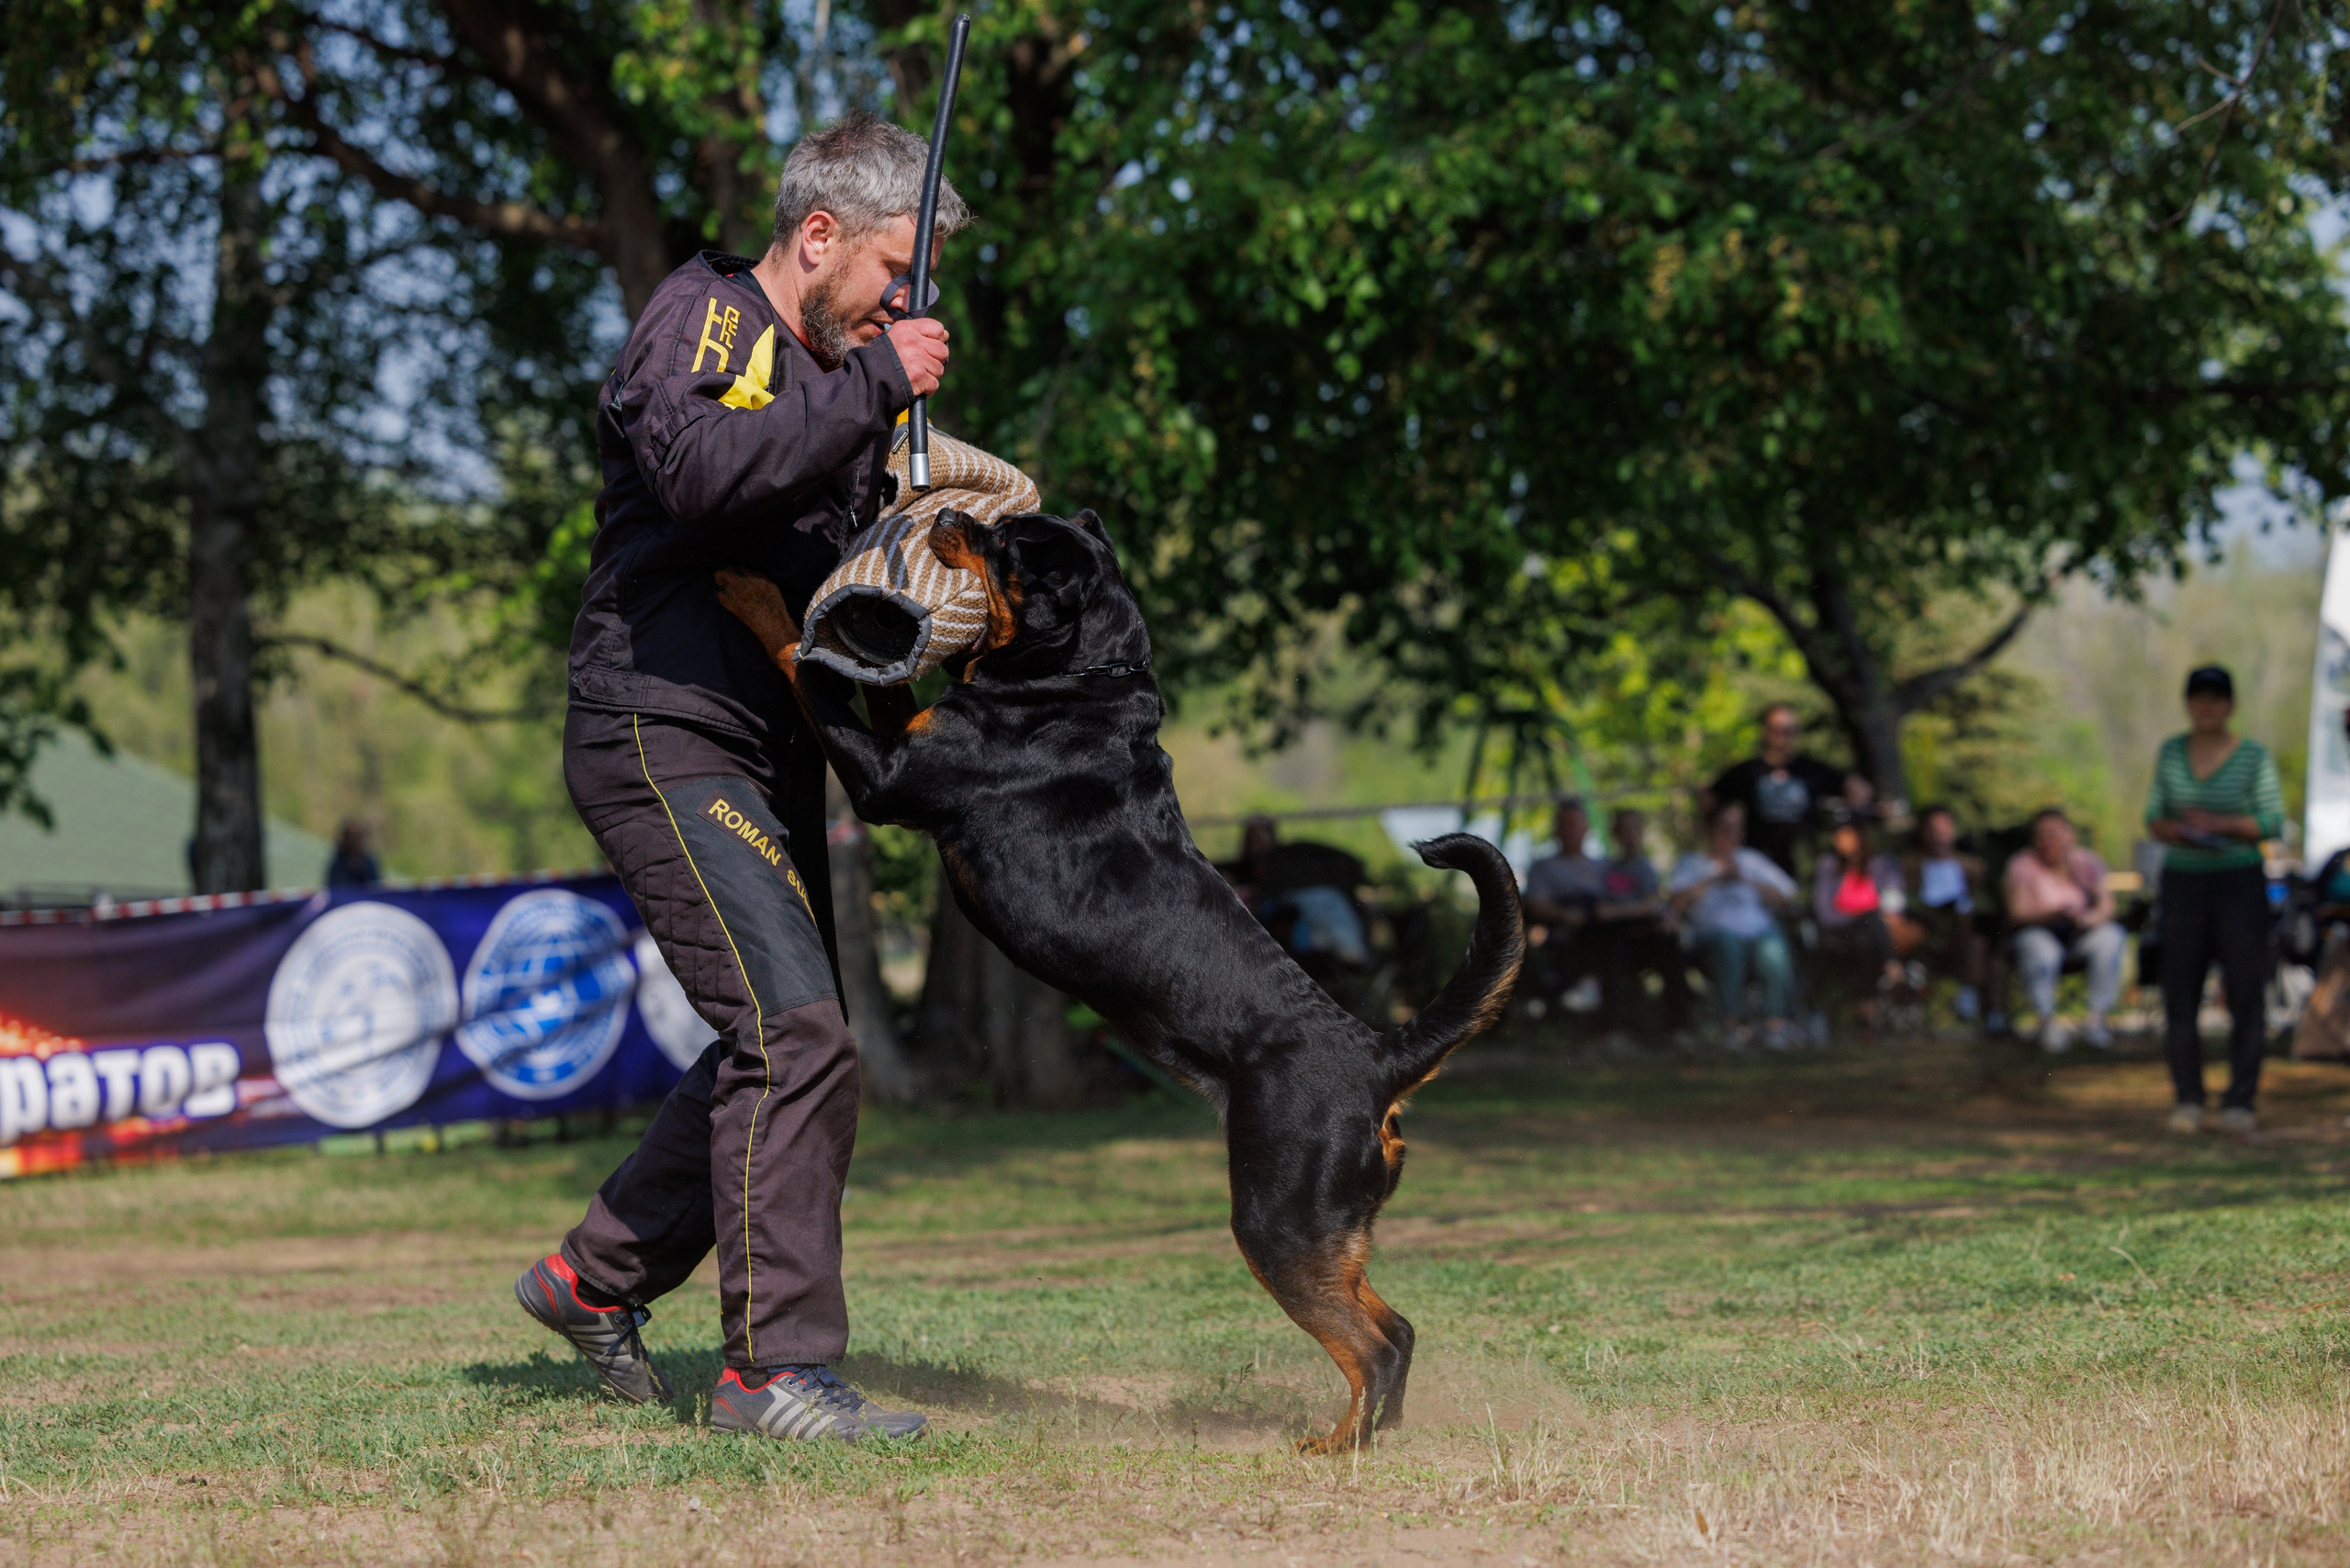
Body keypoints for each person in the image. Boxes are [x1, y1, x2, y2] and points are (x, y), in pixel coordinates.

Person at [514, 112, 963, 1444]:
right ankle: (770, 1377)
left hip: (764, 751)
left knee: (779, 1037)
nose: (906, 304)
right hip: (660, 725)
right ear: (818, 236)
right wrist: (879, 381)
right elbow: (703, 470)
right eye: (896, 272)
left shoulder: (834, 377)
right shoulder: (710, 319)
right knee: (798, 1039)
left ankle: (592, 1278)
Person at [2145, 664, 2287, 1136]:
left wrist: (2219, 825)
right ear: (2188, 703)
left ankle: (2240, 1100)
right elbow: (2154, 815)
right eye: (2199, 697)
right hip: (2184, 881)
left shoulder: (2252, 756)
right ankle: (2188, 1097)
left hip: (2238, 882)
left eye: (2215, 697)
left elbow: (2271, 821)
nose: (2206, 705)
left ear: (2230, 704)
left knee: (2246, 990)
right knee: (2180, 989)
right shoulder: (2171, 752)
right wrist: (2180, 830)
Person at [1667, 800, 1799, 1048]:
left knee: (1774, 949)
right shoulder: (1693, 862)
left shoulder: (1751, 861)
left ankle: (1775, 1026)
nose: (1732, 836)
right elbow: (1676, 902)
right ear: (1710, 829)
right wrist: (1713, 878)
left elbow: (1786, 896)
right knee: (1726, 947)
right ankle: (1730, 1026)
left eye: (1737, 829)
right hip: (1713, 937)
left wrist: (1746, 879)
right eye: (1725, 828)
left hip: (1759, 934)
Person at [2002, 808, 2124, 1054]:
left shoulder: (2087, 862)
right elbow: (2015, 914)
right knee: (2035, 945)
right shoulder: (2021, 865)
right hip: (2040, 935)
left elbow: (2107, 904)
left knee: (2112, 936)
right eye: (2042, 834)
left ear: (2070, 835)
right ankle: (2047, 1022)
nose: (2049, 840)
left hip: (2080, 937)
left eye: (2054, 833)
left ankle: (2097, 1019)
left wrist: (2089, 919)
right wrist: (2053, 915)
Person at [1707, 703, 1874, 878]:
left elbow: (1859, 789)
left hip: (1805, 860)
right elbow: (1710, 798)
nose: (1784, 736)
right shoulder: (1748, 772)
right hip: (1758, 861)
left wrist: (1848, 821)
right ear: (1765, 731)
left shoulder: (1811, 770)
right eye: (1777, 729)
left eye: (1790, 729)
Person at [1810, 812, 1911, 1030]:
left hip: (1873, 932)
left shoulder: (1880, 865)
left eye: (1845, 834)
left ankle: (1868, 1009)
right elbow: (1825, 912)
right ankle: (1893, 970)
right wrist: (1859, 914)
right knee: (1868, 921)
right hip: (1839, 930)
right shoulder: (1829, 866)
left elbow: (1894, 898)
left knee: (1867, 934)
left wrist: (1885, 914)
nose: (1839, 839)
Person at [1903, 805, 1990, 1025]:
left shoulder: (1972, 866)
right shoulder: (1910, 864)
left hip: (1962, 930)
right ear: (1923, 833)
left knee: (1975, 935)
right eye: (1933, 830)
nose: (1939, 837)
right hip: (1925, 927)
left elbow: (1980, 900)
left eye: (1944, 829)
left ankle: (1970, 997)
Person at [1520, 798, 1609, 1003]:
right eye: (1565, 824)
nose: (1571, 830)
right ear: (1556, 829)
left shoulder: (1604, 865)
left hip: (1600, 924)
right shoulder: (1543, 866)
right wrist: (1568, 915)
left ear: (1586, 828)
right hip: (1562, 926)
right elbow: (1536, 904)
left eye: (1576, 824)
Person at [323, 820, 382, 889]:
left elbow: (375, 886)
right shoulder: (337, 864)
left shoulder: (369, 863)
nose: (354, 841)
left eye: (358, 837)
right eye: (351, 837)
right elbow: (336, 888)